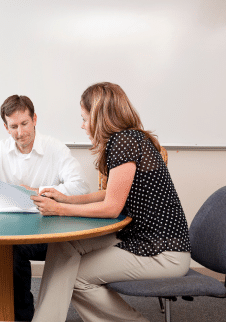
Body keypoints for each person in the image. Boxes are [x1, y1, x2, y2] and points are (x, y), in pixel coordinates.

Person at [30, 82, 192, 322]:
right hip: (143, 238)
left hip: (163, 252)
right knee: (65, 245)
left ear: (99, 117)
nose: (82, 125)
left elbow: (111, 207)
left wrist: (60, 209)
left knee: (73, 276)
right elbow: (110, 193)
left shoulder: (124, 142)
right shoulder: (130, 139)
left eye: (85, 118)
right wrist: (68, 199)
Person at [0, 94, 90, 321]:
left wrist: (36, 192)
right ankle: (6, 313)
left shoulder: (55, 149)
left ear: (34, 120)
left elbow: (80, 187)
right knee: (7, 247)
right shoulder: (0, 151)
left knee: (13, 249)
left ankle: (20, 315)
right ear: (5, 126)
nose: (20, 133)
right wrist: (5, 191)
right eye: (13, 126)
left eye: (24, 124)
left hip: (50, 231)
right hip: (12, 230)